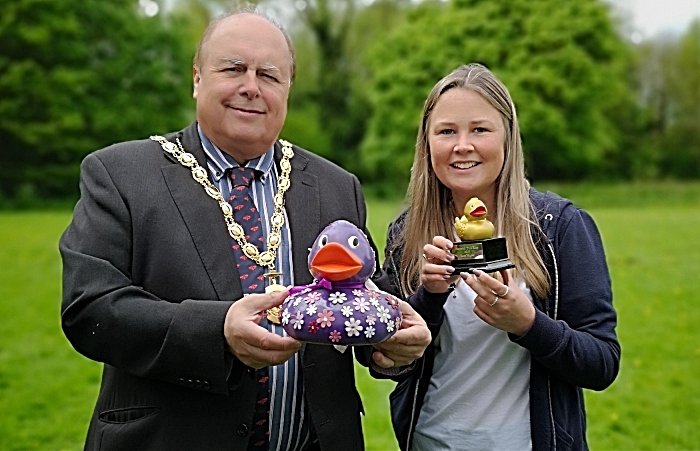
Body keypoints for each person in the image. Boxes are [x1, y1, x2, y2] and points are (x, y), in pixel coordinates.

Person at [59, 6, 431, 451]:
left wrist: (393, 343)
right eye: (233, 69)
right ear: (197, 78)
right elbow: (90, 308)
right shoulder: (121, 174)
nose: (251, 87)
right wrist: (217, 331)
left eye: (269, 75)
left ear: (288, 88)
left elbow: (361, 299)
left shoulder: (335, 186)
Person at [383, 63, 620, 450]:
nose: (462, 145)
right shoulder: (407, 234)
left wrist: (528, 324)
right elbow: (383, 362)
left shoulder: (560, 227)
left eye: (480, 129)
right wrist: (428, 297)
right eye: (446, 132)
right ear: (427, 144)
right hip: (429, 442)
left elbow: (602, 363)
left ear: (507, 138)